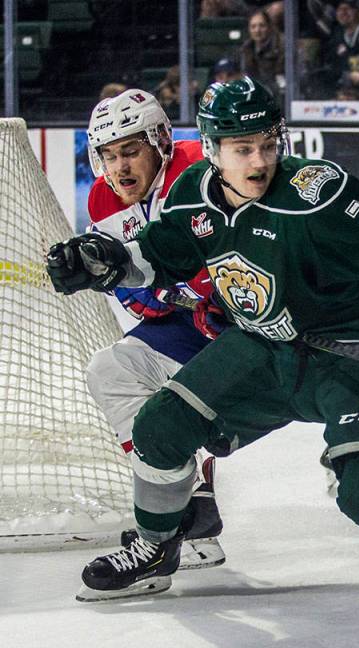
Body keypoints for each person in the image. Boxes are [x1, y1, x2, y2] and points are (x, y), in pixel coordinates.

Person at [47, 76, 359, 608]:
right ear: (215, 150)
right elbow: (158, 253)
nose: (259, 162)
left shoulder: (319, 193)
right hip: (266, 349)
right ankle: (155, 545)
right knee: (159, 427)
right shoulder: (194, 194)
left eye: (267, 144)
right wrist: (106, 261)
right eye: (243, 149)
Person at [84, 88, 227, 571]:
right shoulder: (104, 197)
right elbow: (132, 292)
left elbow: (227, 271)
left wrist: (178, 291)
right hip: (190, 324)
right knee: (111, 369)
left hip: (256, 325)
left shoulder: (197, 174)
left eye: (130, 151)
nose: (119, 168)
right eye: (108, 155)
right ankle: (184, 509)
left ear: (160, 142)